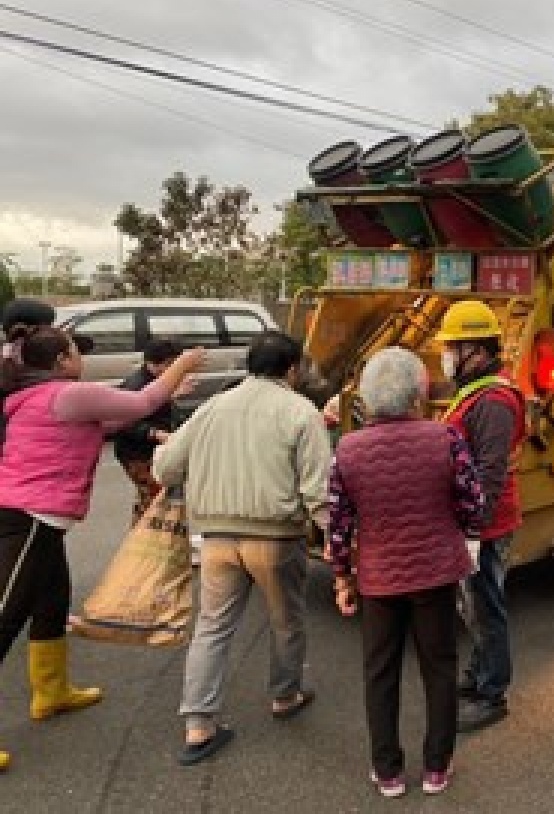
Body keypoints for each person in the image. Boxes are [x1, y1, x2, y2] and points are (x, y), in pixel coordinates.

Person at [0, 325, 203, 773]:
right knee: (6, 616)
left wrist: (169, 385)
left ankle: (51, 692)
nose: (81, 358)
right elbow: (140, 404)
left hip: (40, 519)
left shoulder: (46, 396)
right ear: (59, 362)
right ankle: (49, 691)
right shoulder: (66, 393)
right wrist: (183, 364)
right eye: (76, 351)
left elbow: (115, 419)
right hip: (28, 517)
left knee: (51, 604)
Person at [154, 331, 331, 766]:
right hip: (275, 538)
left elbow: (165, 467)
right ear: (292, 369)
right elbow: (318, 492)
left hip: (214, 538)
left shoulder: (213, 407)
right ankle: (285, 695)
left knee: (212, 627)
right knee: (286, 621)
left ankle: (199, 724)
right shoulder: (301, 412)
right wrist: (339, 544)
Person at [327, 348, 485, 797]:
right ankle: (437, 767)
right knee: (438, 667)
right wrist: (455, 527)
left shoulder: (348, 449)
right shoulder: (445, 438)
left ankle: (388, 772)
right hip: (435, 573)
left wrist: (343, 576)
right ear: (418, 393)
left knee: (380, 671)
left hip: (379, 578)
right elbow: (473, 505)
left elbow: (338, 523)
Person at [434, 301, 526, 732]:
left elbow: (488, 472)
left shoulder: (492, 402)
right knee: (473, 606)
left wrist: (473, 528)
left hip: (485, 523)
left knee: (486, 607)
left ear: (479, 350)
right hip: (475, 520)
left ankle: (492, 693)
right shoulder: (477, 392)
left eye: (454, 347)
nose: (447, 354)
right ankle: (478, 677)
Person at [112, 339, 189, 527]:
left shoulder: (160, 382)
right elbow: (122, 421)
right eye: (171, 365)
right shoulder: (135, 385)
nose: (175, 370)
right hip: (136, 453)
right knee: (156, 499)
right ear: (153, 363)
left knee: (150, 499)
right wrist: (154, 433)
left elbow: (168, 413)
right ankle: (147, 541)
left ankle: (140, 539)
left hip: (151, 450)